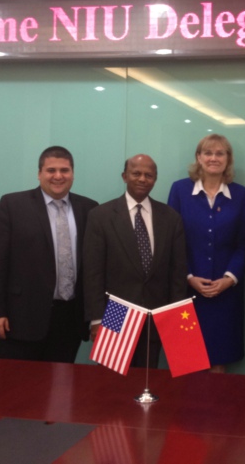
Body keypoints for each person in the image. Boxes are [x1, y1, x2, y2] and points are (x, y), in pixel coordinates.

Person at [0, 145, 99, 363]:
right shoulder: (12, 205)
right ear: (39, 173)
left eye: (64, 170)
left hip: (69, 320)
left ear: (72, 174)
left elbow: (96, 267)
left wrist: (96, 317)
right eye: (51, 170)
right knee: (17, 382)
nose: (58, 176)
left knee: (61, 382)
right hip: (21, 318)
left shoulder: (90, 208)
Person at [83, 154, 188, 368]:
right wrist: (97, 319)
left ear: (155, 179)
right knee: (111, 383)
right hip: (115, 314)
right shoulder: (100, 216)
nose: (142, 179)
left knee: (148, 379)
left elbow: (177, 273)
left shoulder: (171, 217)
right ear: (124, 176)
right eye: (136, 173)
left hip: (156, 315)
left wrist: (176, 318)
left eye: (148, 175)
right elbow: (93, 273)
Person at [167, 134, 245, 372]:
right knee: (187, 362)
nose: (214, 158)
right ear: (199, 157)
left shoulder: (241, 195)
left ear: (228, 159)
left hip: (225, 294)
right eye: (208, 153)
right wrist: (188, 276)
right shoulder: (180, 190)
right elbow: (171, 242)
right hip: (186, 292)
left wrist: (229, 279)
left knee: (218, 363)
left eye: (220, 153)